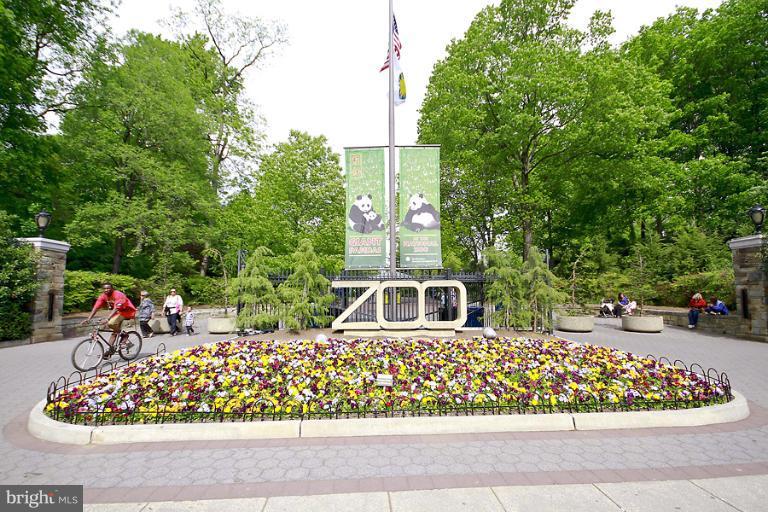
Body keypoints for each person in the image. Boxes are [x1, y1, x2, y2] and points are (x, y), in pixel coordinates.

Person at [80, 283, 137, 356]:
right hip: (117, 313)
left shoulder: (118, 294)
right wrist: (88, 319)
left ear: (112, 289)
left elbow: (116, 308)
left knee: (111, 323)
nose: (106, 290)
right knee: (114, 331)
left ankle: (124, 335)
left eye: (108, 288)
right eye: (104, 289)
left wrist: (107, 319)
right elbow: (96, 307)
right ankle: (110, 350)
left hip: (127, 312)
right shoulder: (103, 296)